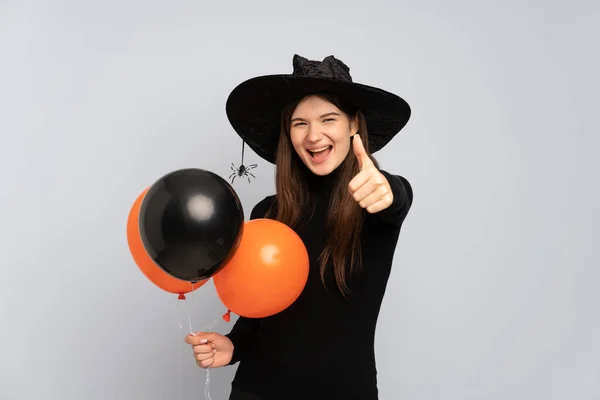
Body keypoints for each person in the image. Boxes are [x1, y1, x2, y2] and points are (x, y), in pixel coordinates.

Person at [185, 54, 414, 400]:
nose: (314, 135)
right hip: (256, 390)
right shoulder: (268, 211)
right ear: (288, 133)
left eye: (328, 119)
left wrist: (388, 188)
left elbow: (399, 198)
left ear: (353, 124)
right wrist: (233, 346)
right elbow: (259, 307)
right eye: (299, 123)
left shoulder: (375, 201)